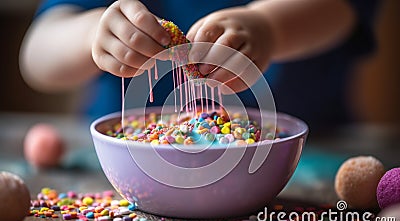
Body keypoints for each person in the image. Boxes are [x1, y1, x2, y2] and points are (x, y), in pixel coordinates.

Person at [19, 0, 378, 130]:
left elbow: (341, 9)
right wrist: (91, 34)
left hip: (307, 156)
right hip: (122, 168)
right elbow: (37, 56)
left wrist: (269, 26)